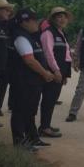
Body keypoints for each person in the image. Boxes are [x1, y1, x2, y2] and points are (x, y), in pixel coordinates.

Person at [10, 8, 57, 151]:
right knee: (20, 111)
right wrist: (45, 73)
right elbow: (29, 60)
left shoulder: (31, 36)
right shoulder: (21, 37)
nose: (37, 23)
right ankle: (19, 141)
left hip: (33, 82)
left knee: (30, 111)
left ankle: (32, 137)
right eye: (34, 20)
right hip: (23, 81)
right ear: (24, 22)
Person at [39, 7, 73, 138]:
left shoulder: (61, 33)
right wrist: (56, 70)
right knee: (48, 99)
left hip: (60, 72)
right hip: (51, 72)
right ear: (52, 19)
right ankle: (44, 127)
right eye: (59, 16)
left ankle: (46, 124)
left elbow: (66, 55)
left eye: (64, 16)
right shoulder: (48, 33)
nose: (62, 19)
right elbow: (48, 53)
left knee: (52, 99)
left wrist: (65, 74)